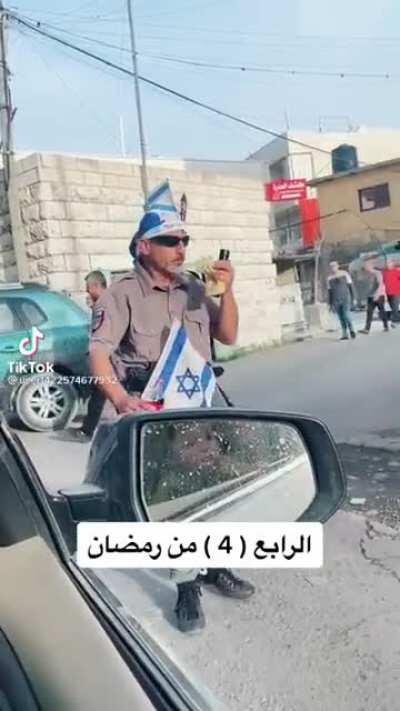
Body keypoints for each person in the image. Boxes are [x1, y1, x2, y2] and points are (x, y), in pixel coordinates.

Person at [85, 180, 255, 633]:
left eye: (184, 240)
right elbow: (98, 353)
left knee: (216, 494)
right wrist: (121, 400)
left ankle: (216, 565)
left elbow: (229, 336)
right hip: (155, 415)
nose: (180, 248)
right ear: (143, 246)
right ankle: (186, 586)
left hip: (201, 411)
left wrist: (227, 291)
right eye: (168, 240)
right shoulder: (120, 294)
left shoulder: (193, 289)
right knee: (173, 502)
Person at [68, 271, 107, 442]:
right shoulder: (101, 304)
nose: (87, 292)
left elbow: (102, 333)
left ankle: (88, 430)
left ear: (96, 286)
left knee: (99, 395)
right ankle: (88, 428)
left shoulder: (105, 304)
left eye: (88, 288)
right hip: (106, 358)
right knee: (98, 395)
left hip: (107, 358)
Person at [327, 261, 356, 340]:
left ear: (338, 266)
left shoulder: (344, 274)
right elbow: (330, 292)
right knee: (341, 317)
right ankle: (344, 334)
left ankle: (351, 329)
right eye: (331, 267)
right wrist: (330, 304)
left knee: (346, 315)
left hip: (345, 298)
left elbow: (350, 286)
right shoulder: (329, 278)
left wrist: (353, 298)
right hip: (336, 300)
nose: (333, 268)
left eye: (334, 266)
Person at [359, 260, 389, 334]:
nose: (365, 267)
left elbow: (380, 284)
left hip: (378, 295)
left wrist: (377, 294)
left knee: (382, 311)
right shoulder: (367, 274)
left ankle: (386, 326)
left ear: (371, 266)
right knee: (369, 312)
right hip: (370, 296)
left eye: (367, 266)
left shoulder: (377, 273)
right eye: (365, 266)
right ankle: (367, 329)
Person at [382, 259, 400, 328]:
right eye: (387, 263)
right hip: (388, 293)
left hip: (396, 292)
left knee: (395, 307)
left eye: (389, 263)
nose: (387, 264)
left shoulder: (397, 271)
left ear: (392, 264)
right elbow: (383, 283)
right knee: (393, 307)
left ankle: (394, 322)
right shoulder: (384, 272)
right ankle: (397, 320)